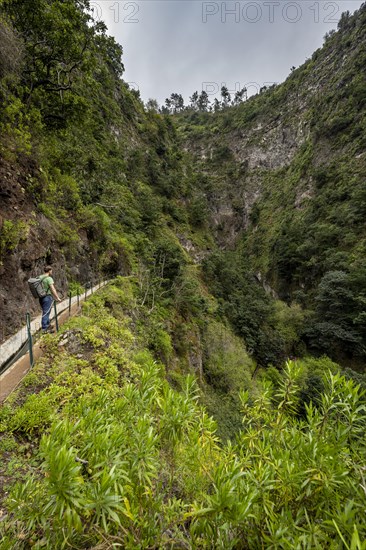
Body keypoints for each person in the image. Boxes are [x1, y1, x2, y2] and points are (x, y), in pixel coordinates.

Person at [39, 266, 62, 333]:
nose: (52, 272)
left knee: (46, 311)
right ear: (49, 271)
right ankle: (44, 328)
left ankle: (48, 325)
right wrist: (57, 297)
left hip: (41, 297)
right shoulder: (49, 278)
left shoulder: (40, 277)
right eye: (51, 271)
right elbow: (52, 289)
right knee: (46, 312)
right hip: (47, 297)